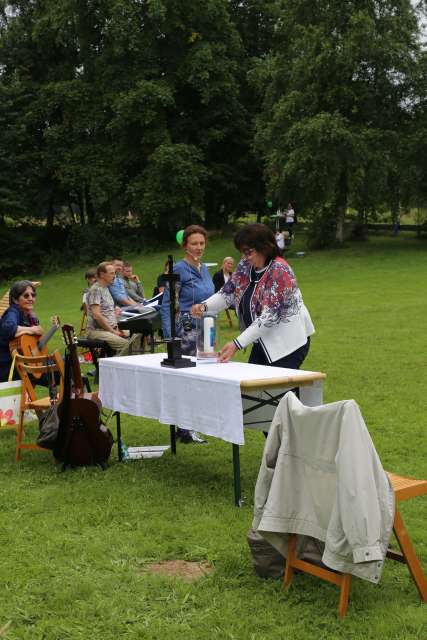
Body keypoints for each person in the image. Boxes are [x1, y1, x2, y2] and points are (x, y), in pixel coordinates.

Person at [192, 223, 314, 370]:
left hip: (288, 344)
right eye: (242, 252)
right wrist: (204, 306)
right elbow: (227, 293)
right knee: (253, 390)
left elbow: (270, 316)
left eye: (248, 252)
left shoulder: (280, 271)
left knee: (280, 390)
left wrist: (237, 344)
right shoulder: (245, 266)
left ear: (264, 247)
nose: (244, 257)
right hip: (262, 341)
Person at [160, 224, 215, 444]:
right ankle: (184, 427)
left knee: (204, 376)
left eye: (202, 243)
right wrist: (169, 334)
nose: (199, 247)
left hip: (207, 327)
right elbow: (167, 303)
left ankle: (195, 423)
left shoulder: (205, 268)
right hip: (187, 329)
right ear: (185, 245)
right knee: (188, 378)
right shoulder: (179, 269)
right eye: (194, 243)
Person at [86, 262, 140, 355]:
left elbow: (106, 313)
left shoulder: (105, 288)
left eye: (114, 273)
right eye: (111, 273)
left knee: (139, 336)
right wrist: (113, 331)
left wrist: (116, 324)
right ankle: (113, 366)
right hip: (97, 331)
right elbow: (96, 315)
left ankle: (119, 361)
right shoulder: (96, 289)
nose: (114, 276)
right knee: (130, 346)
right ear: (102, 275)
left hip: (110, 328)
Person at [0, 281, 43, 382]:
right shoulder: (13, 311)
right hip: (9, 368)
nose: (30, 298)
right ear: (15, 299)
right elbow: (8, 329)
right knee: (60, 365)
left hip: (21, 365)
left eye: (33, 295)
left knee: (61, 363)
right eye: (26, 296)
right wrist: (32, 330)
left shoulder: (29, 316)